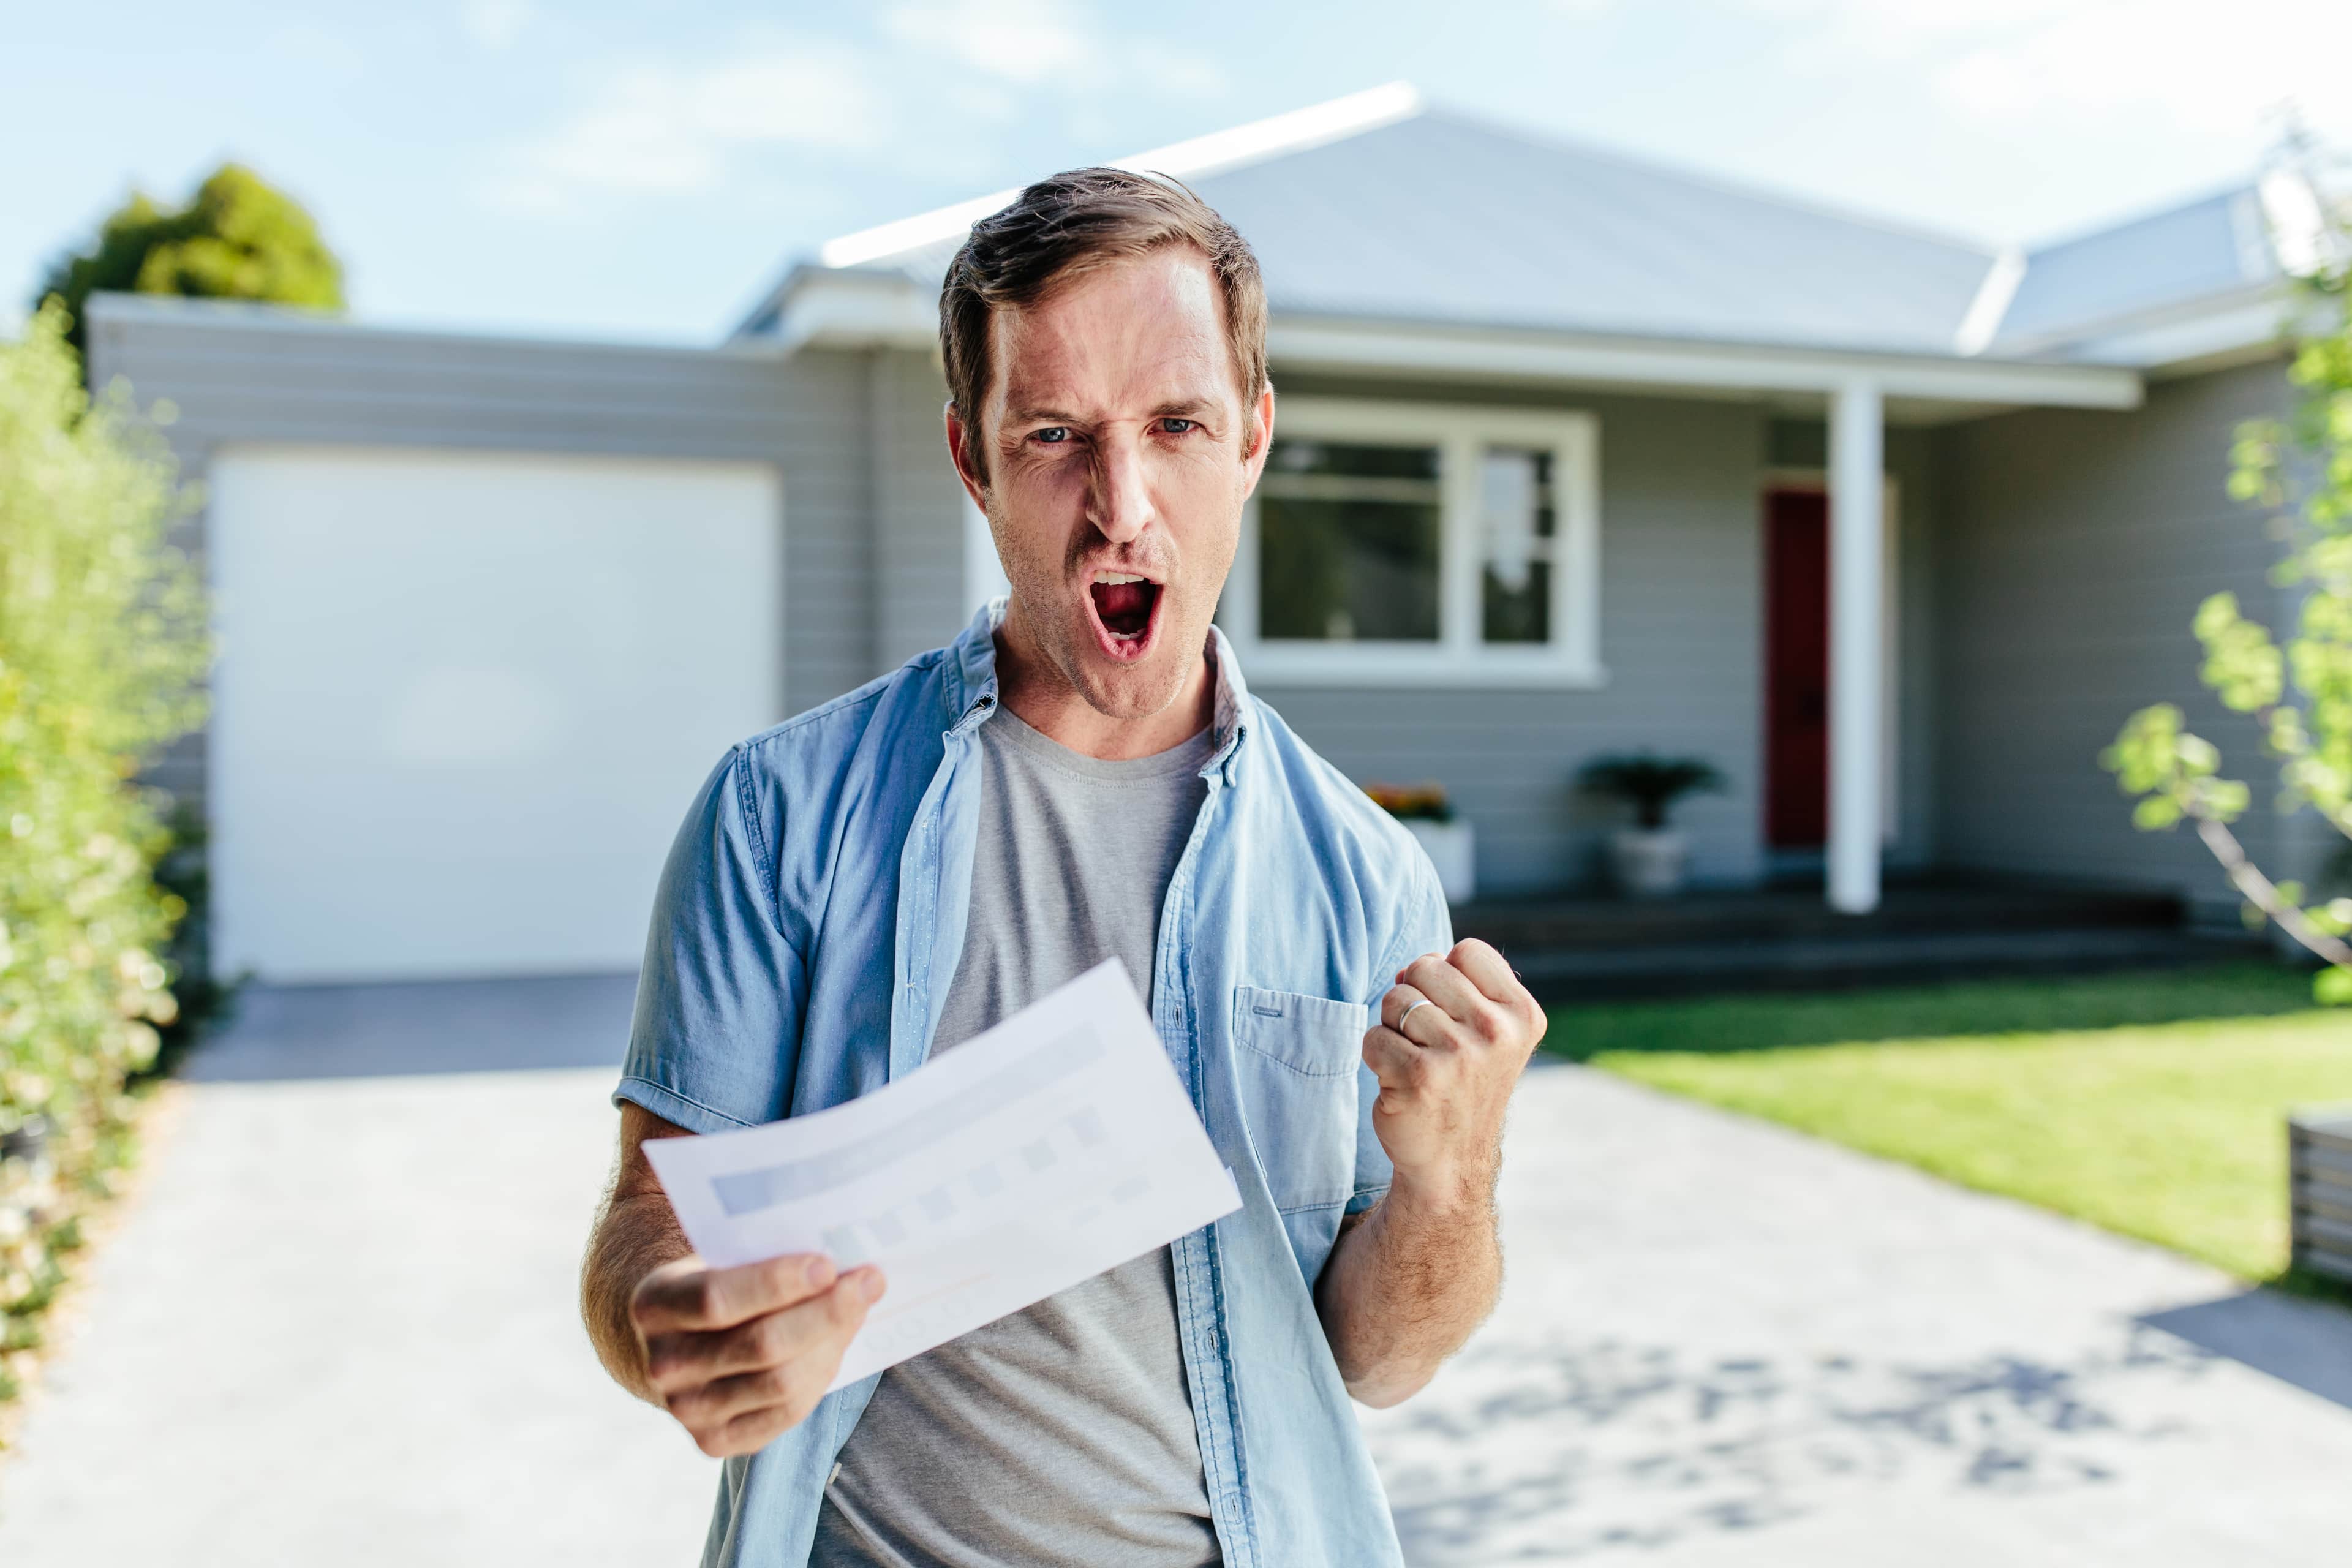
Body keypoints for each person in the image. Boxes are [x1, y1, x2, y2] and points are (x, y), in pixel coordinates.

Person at [580, 166, 1547, 1568]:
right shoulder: (776, 815)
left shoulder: (1366, 876)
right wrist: (671, 1314)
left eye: (1176, 425)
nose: (1121, 505)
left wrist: (1451, 1178)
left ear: (1255, 436)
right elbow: (651, 1230)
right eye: (1053, 435)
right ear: (972, 459)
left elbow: (1378, 1361)